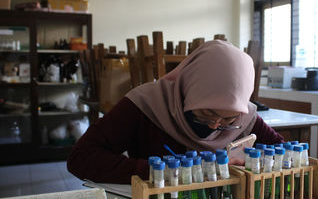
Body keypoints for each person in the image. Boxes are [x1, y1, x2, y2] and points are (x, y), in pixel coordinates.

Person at [67, 40, 284, 184]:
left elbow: (283, 151)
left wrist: (253, 162)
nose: (216, 126)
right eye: (206, 113)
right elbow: (81, 158)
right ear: (189, 90)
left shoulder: (244, 117)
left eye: (228, 119)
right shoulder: (146, 104)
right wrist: (163, 170)